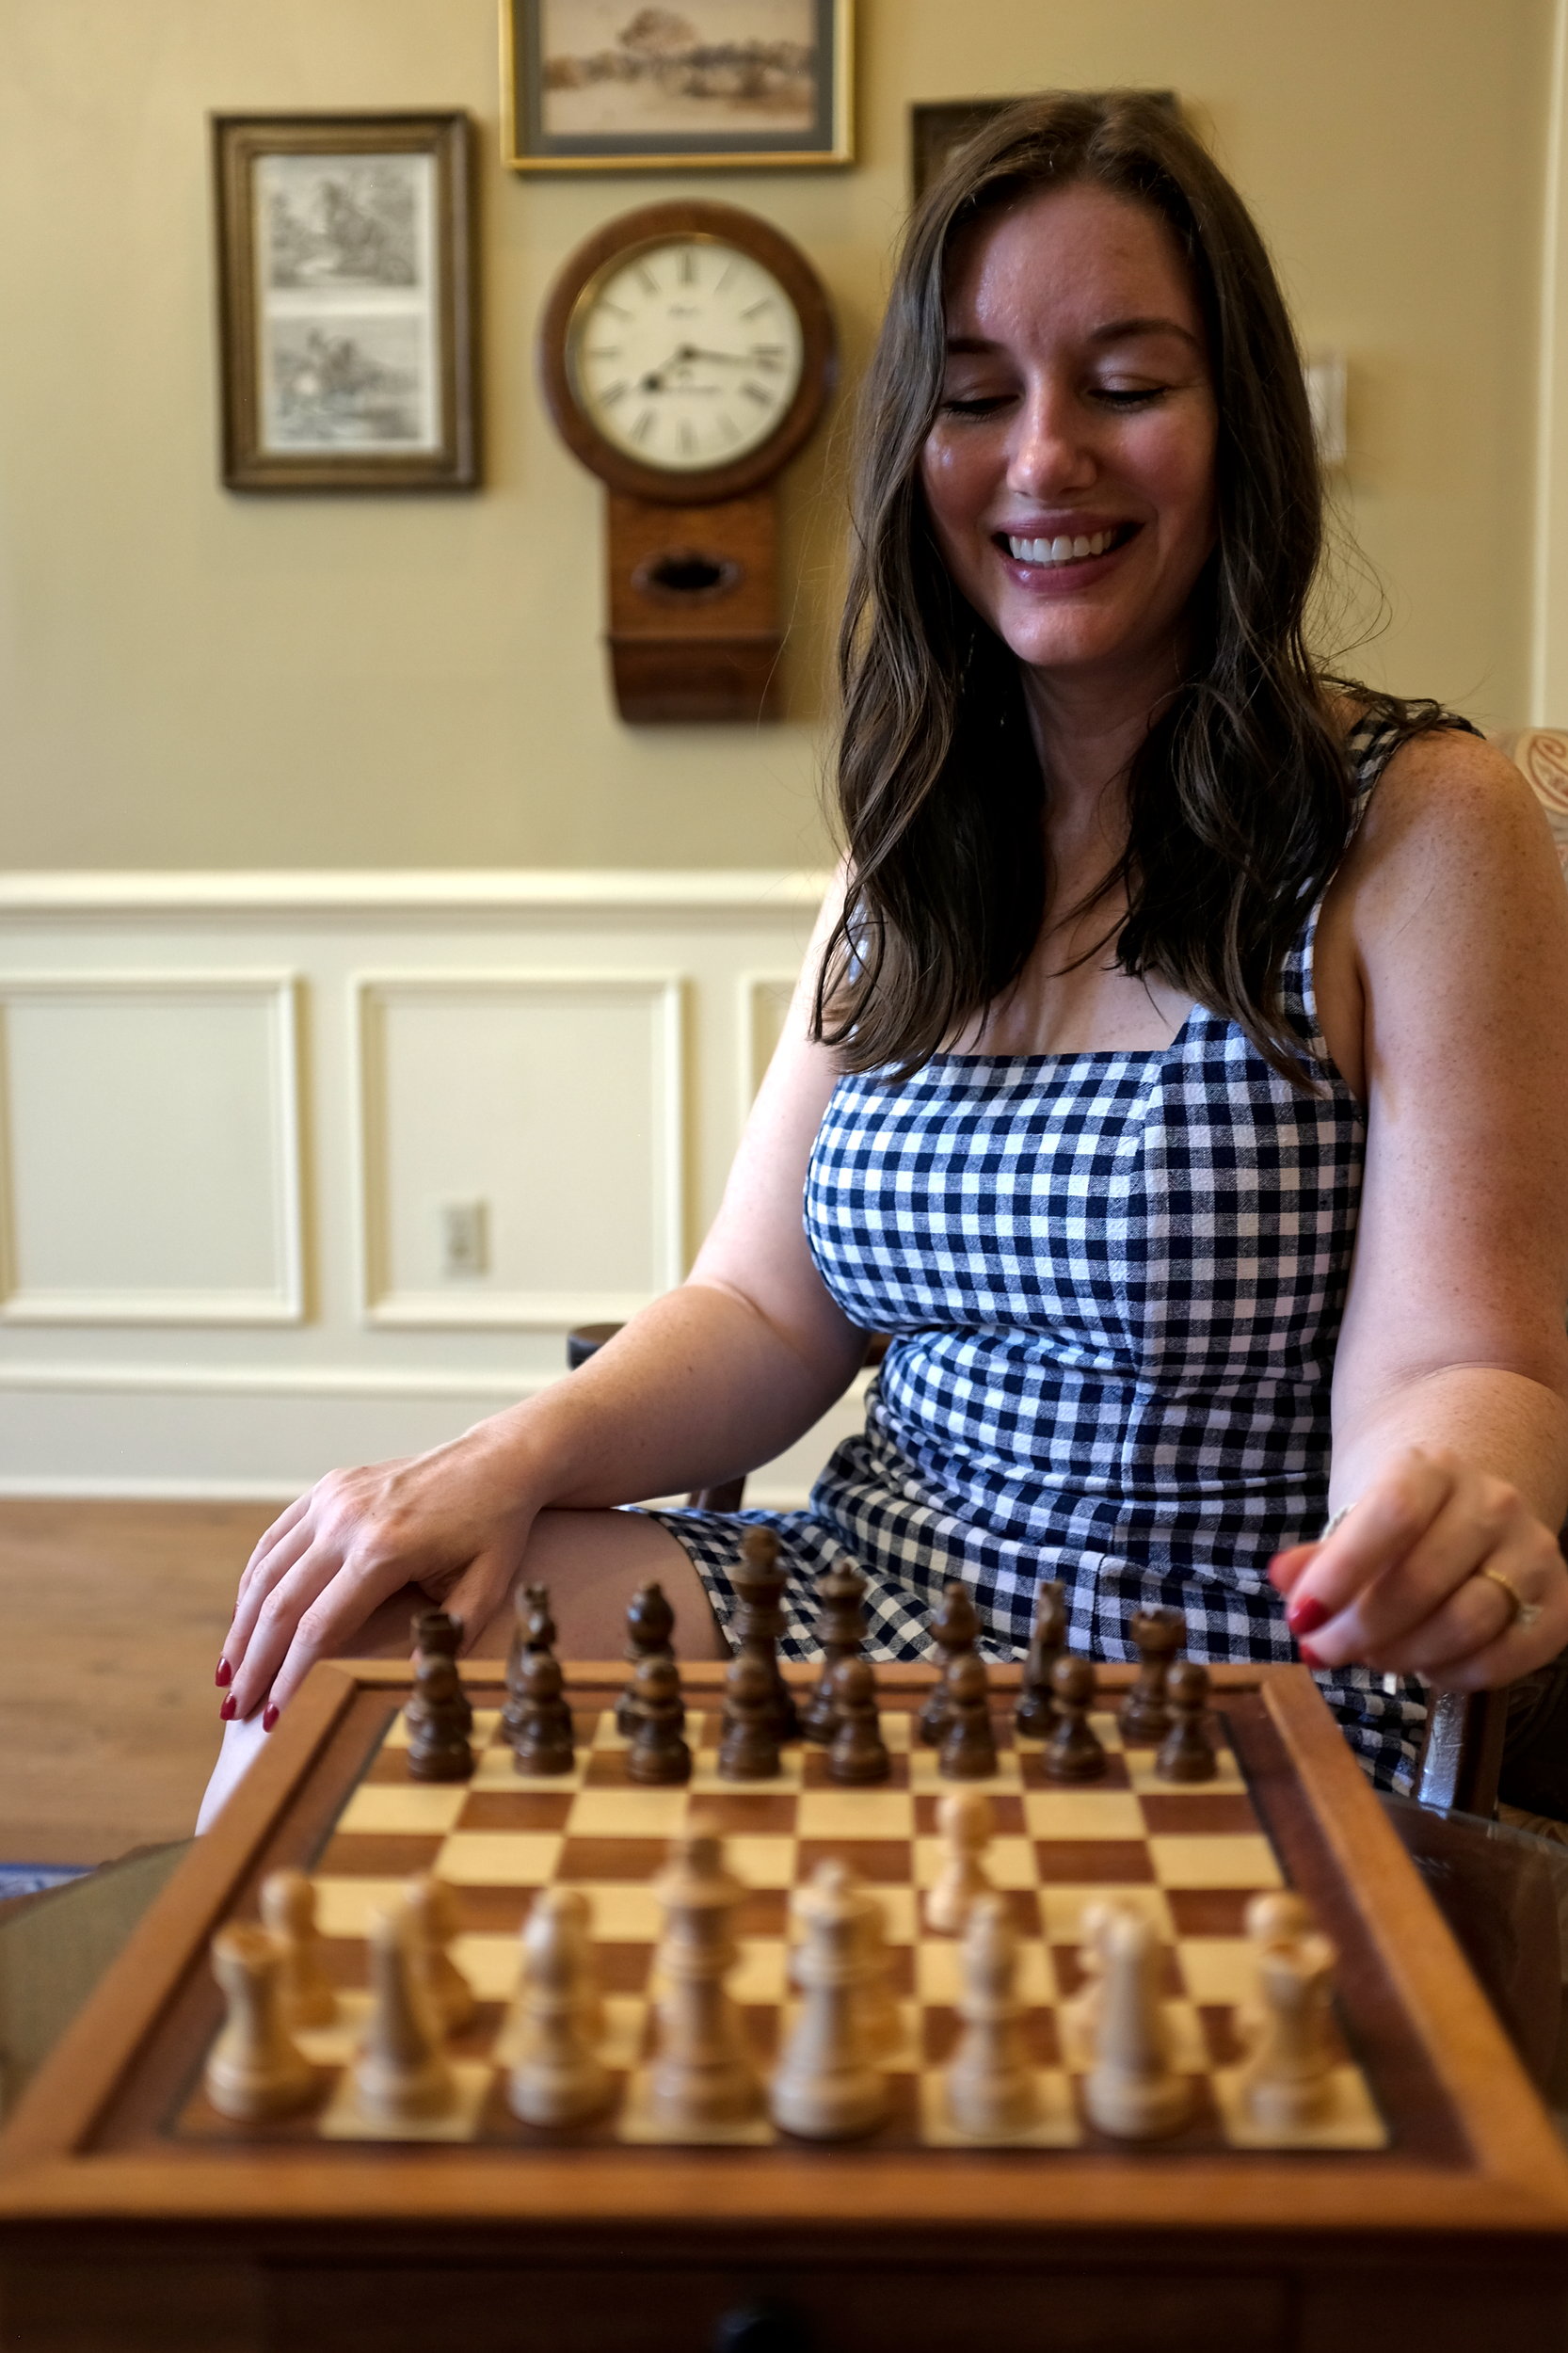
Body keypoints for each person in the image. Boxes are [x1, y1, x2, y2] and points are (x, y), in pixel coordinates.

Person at [202, 91, 1568, 1831]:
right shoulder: (910, 840)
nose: (1041, 457)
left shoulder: (1419, 824)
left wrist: (1448, 1509)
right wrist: (484, 1463)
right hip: (865, 1610)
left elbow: (1461, 1367)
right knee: (366, 1622)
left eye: (1127, 386)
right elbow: (767, 1310)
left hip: (1204, 1679)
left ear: (1239, 429)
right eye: (978, 397)